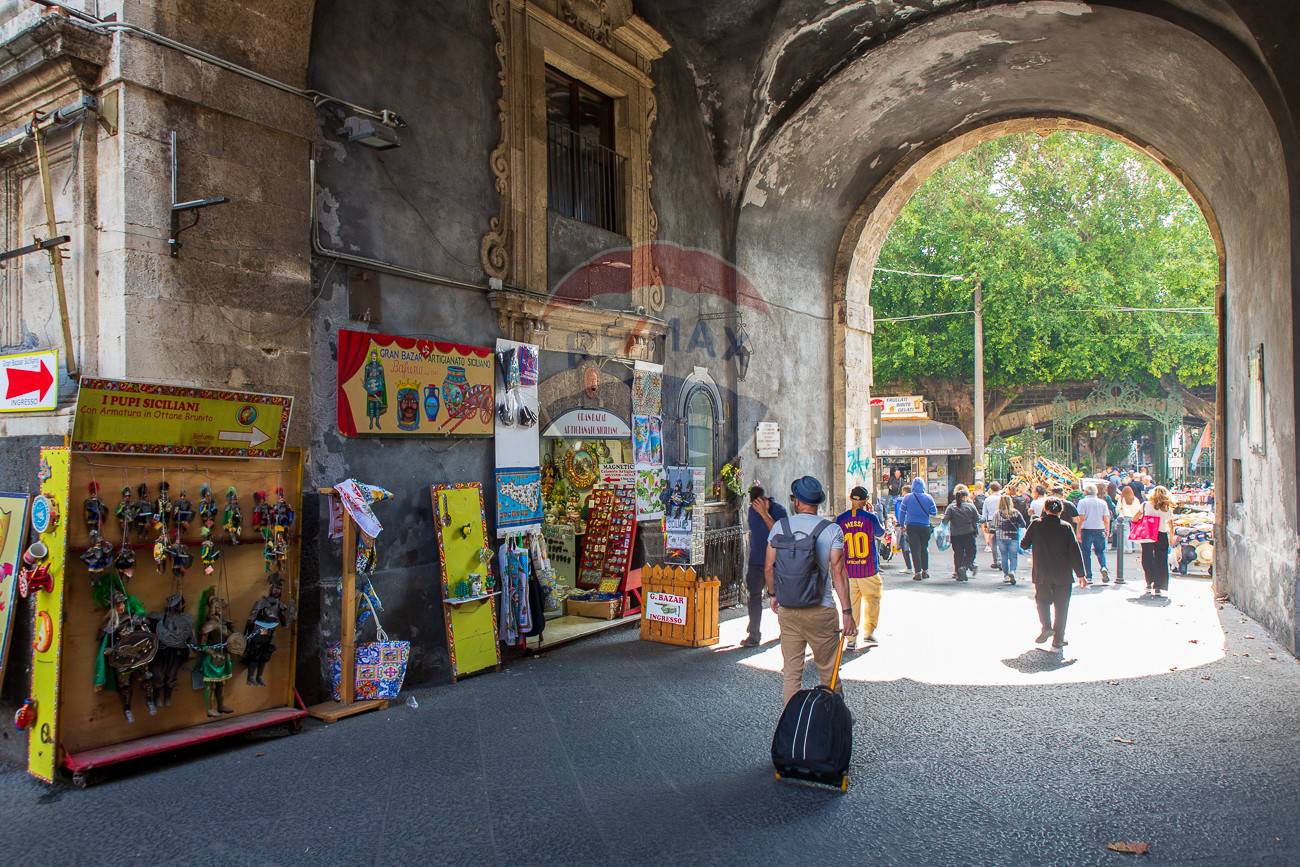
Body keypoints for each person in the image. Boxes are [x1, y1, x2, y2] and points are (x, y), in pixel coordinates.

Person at [765, 476, 854, 705]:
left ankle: (791, 722)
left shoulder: (779, 527)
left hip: (788, 609)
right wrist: (847, 612)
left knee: (792, 674)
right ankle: (834, 718)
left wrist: (774, 595)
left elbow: (769, 567)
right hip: (822, 610)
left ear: (797, 501)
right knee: (828, 671)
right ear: (818, 502)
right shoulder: (832, 530)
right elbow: (839, 573)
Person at [1020, 498, 1086, 651]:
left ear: (1045, 509)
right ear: (1061, 510)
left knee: (1042, 601)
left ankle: (1046, 627)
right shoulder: (1066, 527)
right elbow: (1074, 551)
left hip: (1042, 572)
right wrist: (1081, 574)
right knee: (1062, 607)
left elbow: (1024, 544)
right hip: (1063, 573)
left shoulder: (1036, 524)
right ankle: (1058, 639)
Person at [836, 486, 885, 650]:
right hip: (868, 569)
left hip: (849, 570)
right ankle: (869, 632)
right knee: (873, 601)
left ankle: (851, 639)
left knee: (851, 604)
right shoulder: (870, 518)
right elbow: (880, 534)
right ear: (865, 501)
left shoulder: (840, 519)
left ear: (851, 498)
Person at [743, 483, 787, 647]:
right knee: (754, 596)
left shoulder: (779, 511)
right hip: (756, 561)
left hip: (776, 562)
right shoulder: (751, 510)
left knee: (781, 598)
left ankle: (785, 631)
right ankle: (754, 634)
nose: (754, 506)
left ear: (765, 499)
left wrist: (764, 513)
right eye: (753, 503)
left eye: (757, 502)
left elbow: (780, 534)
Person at [1139, 485, 1176, 596]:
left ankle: (1149, 582)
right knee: (1161, 560)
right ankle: (1159, 586)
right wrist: (1171, 538)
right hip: (1161, 534)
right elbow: (1171, 525)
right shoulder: (1167, 508)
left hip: (1148, 533)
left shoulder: (1145, 505)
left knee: (1147, 558)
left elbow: (1135, 518)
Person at [899, 477, 938, 580]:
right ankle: (925, 571)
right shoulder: (929, 498)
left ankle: (917, 573)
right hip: (925, 526)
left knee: (915, 549)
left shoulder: (907, 497)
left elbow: (902, 513)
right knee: (924, 548)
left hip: (911, 526)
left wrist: (902, 525)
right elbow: (934, 512)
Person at [943, 484, 981, 582]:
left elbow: (945, 521)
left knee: (958, 554)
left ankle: (958, 573)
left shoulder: (951, 507)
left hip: (955, 534)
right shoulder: (970, 506)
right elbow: (977, 519)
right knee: (971, 552)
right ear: (966, 496)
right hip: (968, 533)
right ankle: (964, 567)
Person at [1074, 484, 1111, 584]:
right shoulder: (1102, 502)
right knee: (1100, 551)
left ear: (1086, 492)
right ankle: (1103, 566)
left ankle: (1089, 576)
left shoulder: (1082, 502)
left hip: (1086, 529)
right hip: (1100, 529)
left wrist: (1078, 531)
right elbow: (1106, 518)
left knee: (1086, 553)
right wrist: (1107, 529)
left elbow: (1081, 518)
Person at [993, 494, 1027, 584]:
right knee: (1013, 556)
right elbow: (1023, 524)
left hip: (1001, 537)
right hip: (1013, 537)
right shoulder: (1016, 512)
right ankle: (1012, 571)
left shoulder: (997, 513)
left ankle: (1006, 576)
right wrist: (1016, 525)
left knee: (1004, 556)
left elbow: (994, 526)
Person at [981, 481, 1003, 570]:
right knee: (1002, 540)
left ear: (990, 489)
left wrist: (985, 524)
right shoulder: (1002, 498)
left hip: (991, 521)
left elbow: (984, 514)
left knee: (994, 542)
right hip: (1002, 521)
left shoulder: (987, 499)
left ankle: (996, 560)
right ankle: (1002, 560)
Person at [1116, 485, 1142, 559]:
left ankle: (1128, 548)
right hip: (1134, 517)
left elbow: (1118, 509)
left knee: (1126, 532)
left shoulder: (1121, 499)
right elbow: (1139, 509)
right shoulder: (1135, 499)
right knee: (1135, 532)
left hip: (1125, 516)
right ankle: (1137, 547)